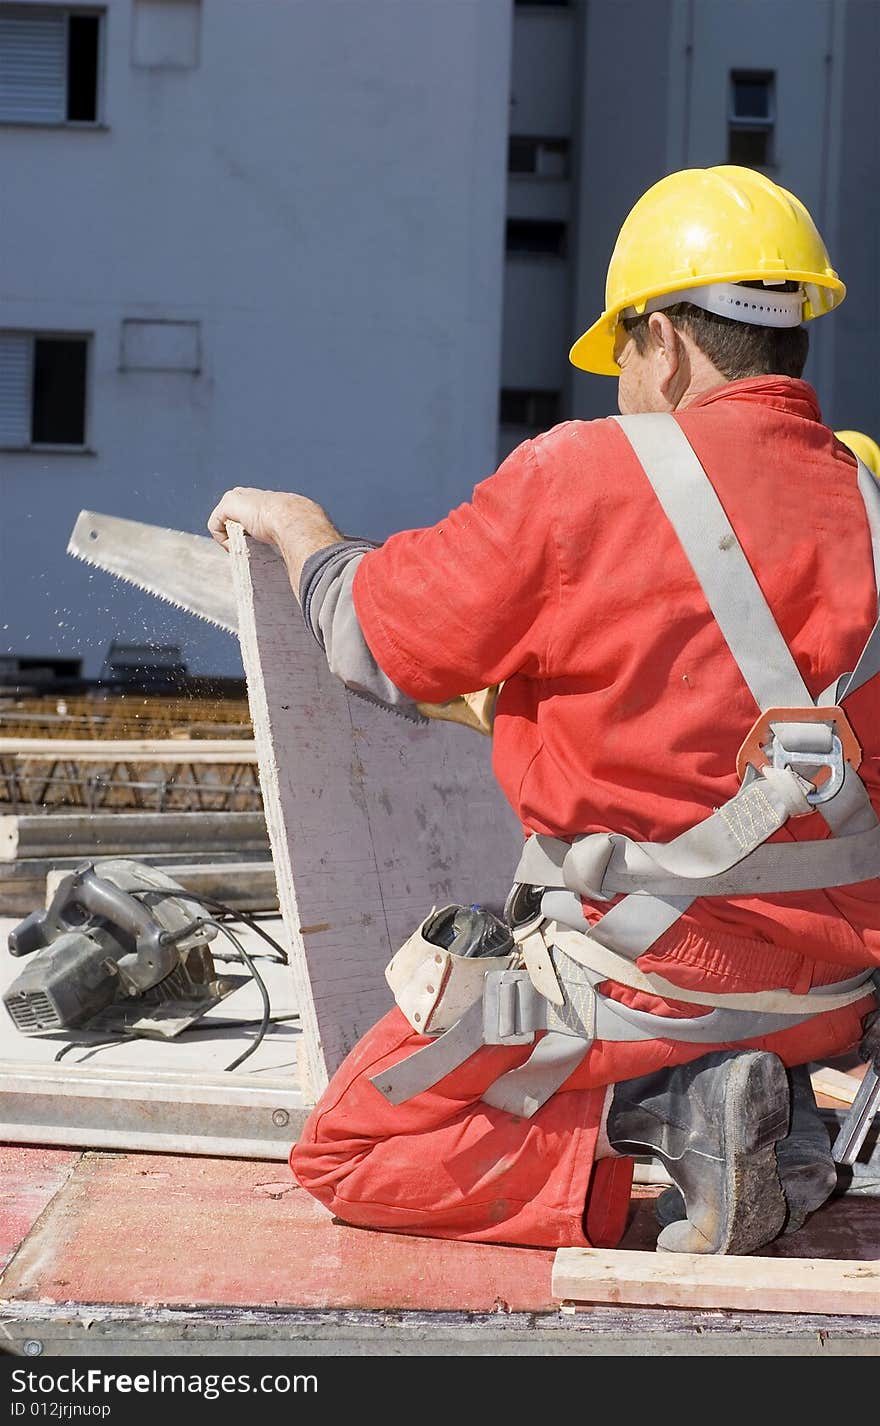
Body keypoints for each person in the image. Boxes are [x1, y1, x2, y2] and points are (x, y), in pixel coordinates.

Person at [208, 166, 880, 1256]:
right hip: (830, 1003)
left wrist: (299, 530)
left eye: (619, 348)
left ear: (660, 339)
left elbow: (377, 636)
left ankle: (662, 1129)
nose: (619, 375)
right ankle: (758, 1124)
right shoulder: (866, 496)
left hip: (630, 990)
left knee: (350, 1149)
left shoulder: (581, 477)